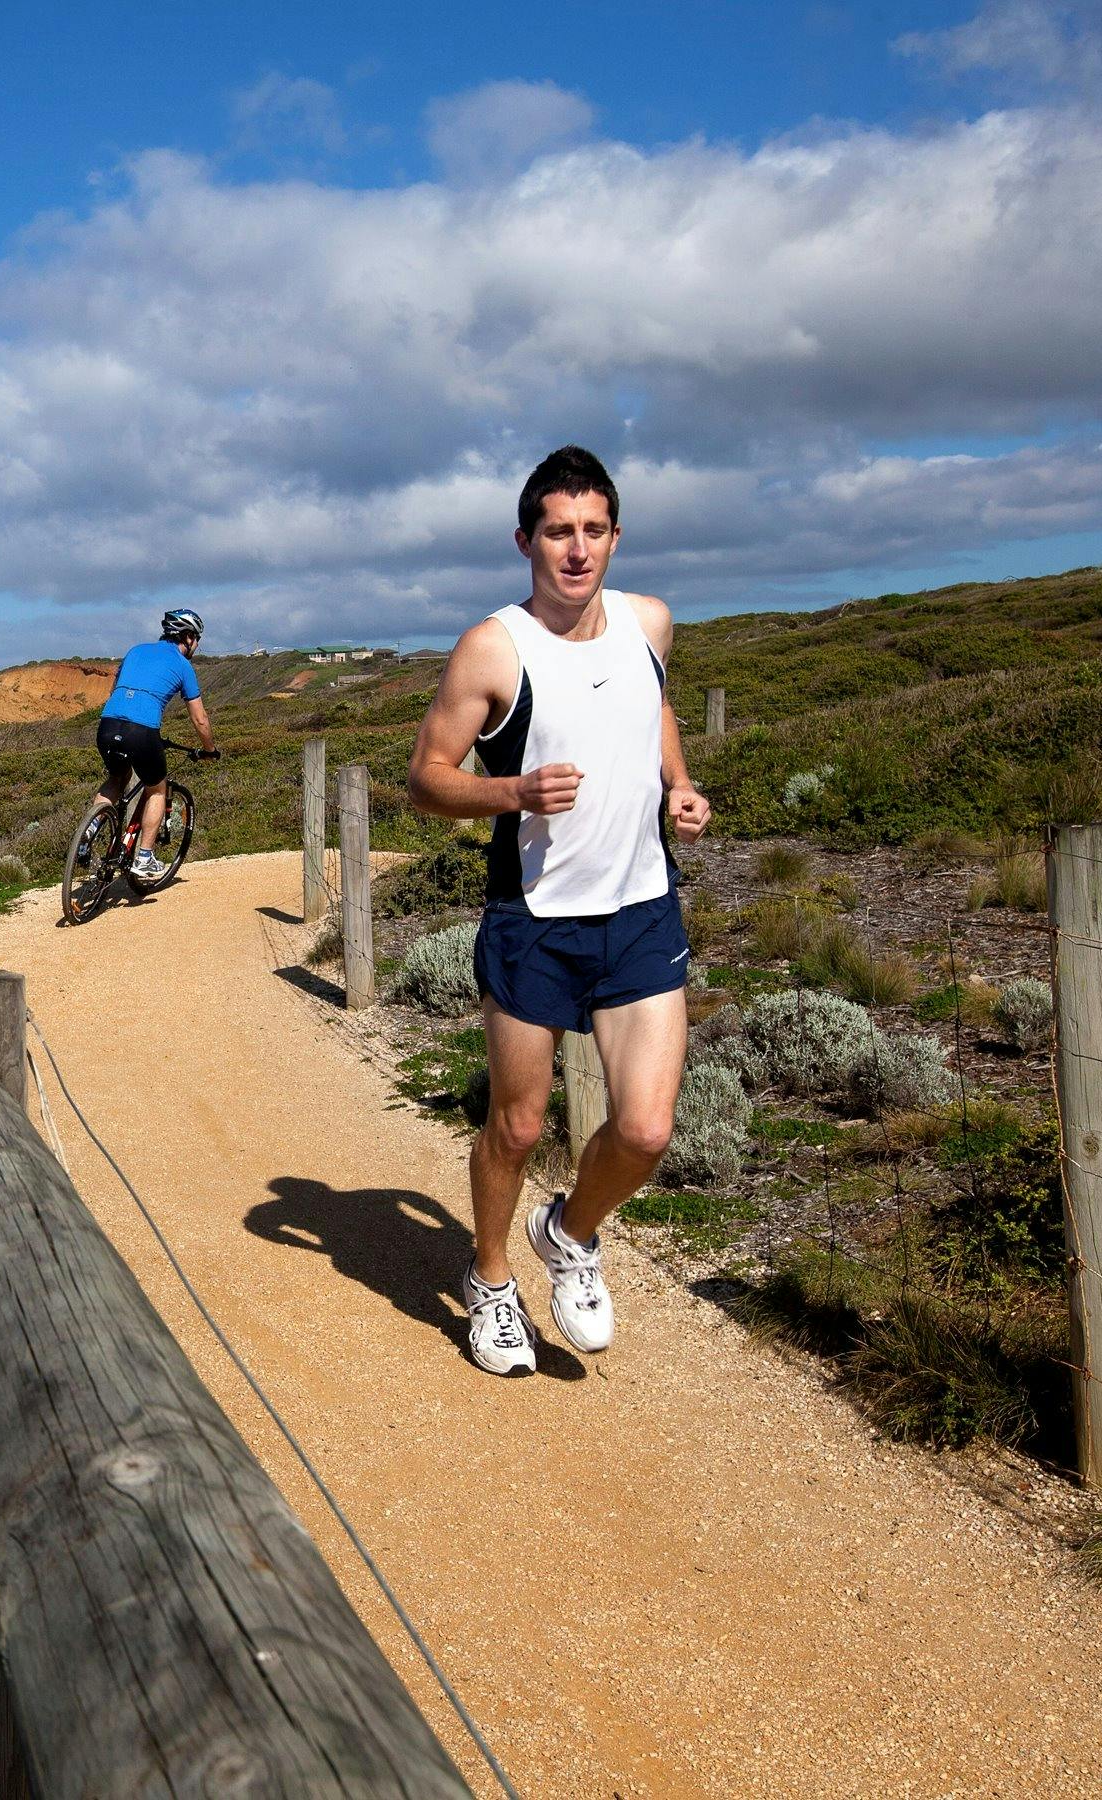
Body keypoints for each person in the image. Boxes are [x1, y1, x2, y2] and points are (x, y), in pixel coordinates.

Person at [404, 446, 713, 1376]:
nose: (576, 551)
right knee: (520, 1126)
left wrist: (680, 783)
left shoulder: (649, 624)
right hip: (534, 917)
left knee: (647, 1129)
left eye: (592, 531)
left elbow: (652, 703)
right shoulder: (494, 647)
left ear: (615, 535)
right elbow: (425, 780)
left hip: (641, 912)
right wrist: (515, 793)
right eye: (556, 532)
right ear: (525, 540)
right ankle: (491, 1278)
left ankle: (570, 1232)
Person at [96, 608, 217, 882]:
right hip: (142, 730)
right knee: (156, 790)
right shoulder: (184, 666)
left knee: (117, 777)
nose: (197, 645)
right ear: (186, 637)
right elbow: (200, 719)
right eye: (196, 638)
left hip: (107, 724)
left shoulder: (135, 650)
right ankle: (144, 857)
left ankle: (89, 830)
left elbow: (114, 689)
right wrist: (210, 749)